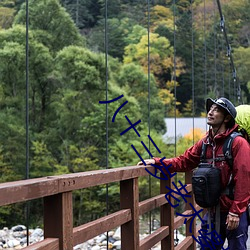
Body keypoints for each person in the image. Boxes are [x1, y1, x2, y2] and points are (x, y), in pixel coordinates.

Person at [137, 97, 250, 250]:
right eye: (210, 109)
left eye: (216, 110)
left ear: (227, 118)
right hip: (212, 209)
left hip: (233, 210)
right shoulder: (205, 143)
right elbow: (184, 161)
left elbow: (244, 178)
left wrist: (236, 212)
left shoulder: (238, 143)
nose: (210, 112)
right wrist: (157, 162)